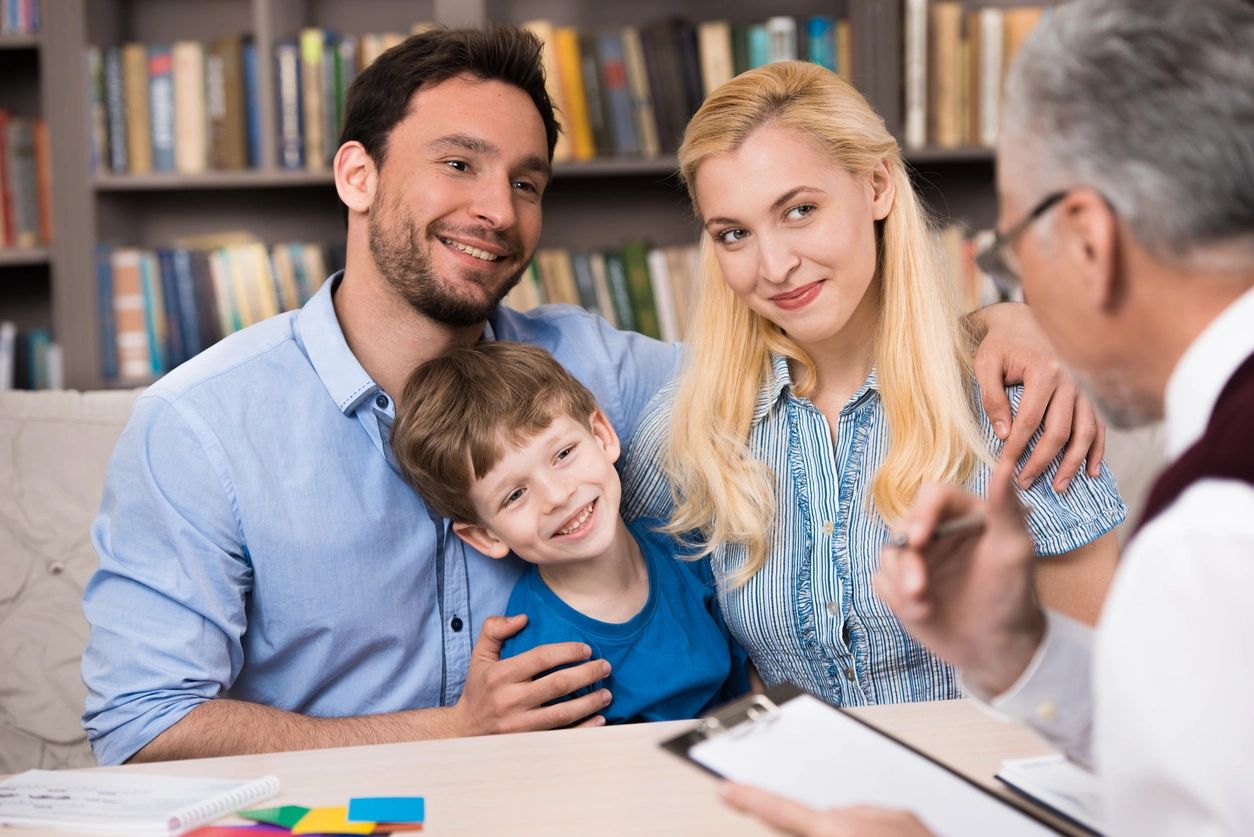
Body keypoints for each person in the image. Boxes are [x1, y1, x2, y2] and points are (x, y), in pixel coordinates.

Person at [80, 25, 1102, 766]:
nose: (495, 208)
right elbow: (139, 722)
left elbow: (812, 350)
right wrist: (449, 732)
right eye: (458, 164)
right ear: (356, 176)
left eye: (526, 181)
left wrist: (1004, 326)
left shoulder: (604, 381)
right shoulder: (202, 426)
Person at [723, 0, 1254, 834]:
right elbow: (1191, 753)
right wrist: (1022, 653)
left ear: (1087, 239)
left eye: (1011, 252)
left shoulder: (1212, 530)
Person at [622, 60, 1124, 712]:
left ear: (878, 186)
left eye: (799, 210)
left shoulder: (1018, 404)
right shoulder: (689, 429)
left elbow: (1105, 695)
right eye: (734, 233)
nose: (774, 266)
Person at [390, 341, 750, 723]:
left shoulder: (688, 548)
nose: (558, 496)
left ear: (601, 435)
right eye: (515, 495)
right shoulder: (541, 659)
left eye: (563, 454)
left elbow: (752, 683)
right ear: (486, 537)